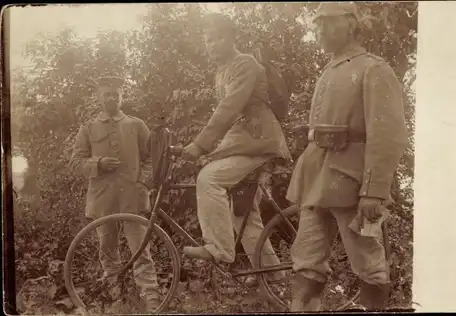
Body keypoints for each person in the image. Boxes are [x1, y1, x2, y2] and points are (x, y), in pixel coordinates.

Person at [286, 2, 409, 312]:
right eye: (316, 24)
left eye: (328, 22)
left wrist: (374, 190)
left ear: (352, 24)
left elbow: (387, 135)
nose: (320, 30)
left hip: (353, 183)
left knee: (369, 266)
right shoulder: (329, 69)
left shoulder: (373, 68)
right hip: (318, 181)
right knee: (306, 263)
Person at [180, 13, 291, 282]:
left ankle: (219, 248)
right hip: (243, 140)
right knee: (243, 214)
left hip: (258, 138)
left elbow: (229, 109)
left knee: (209, 178)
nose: (212, 44)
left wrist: (200, 144)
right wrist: (206, 148)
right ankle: (275, 281)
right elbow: (229, 116)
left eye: (217, 38)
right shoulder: (221, 71)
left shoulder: (245, 64)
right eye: (208, 40)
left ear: (231, 38)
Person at [69, 76, 160, 312]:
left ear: (122, 97)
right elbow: (74, 162)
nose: (111, 97)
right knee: (108, 252)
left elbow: (152, 159)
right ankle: (115, 296)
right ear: (99, 97)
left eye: (115, 94)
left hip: (132, 197)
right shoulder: (88, 128)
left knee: (141, 250)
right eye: (106, 94)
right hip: (103, 200)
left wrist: (143, 182)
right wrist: (97, 163)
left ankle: (151, 297)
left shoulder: (136, 125)